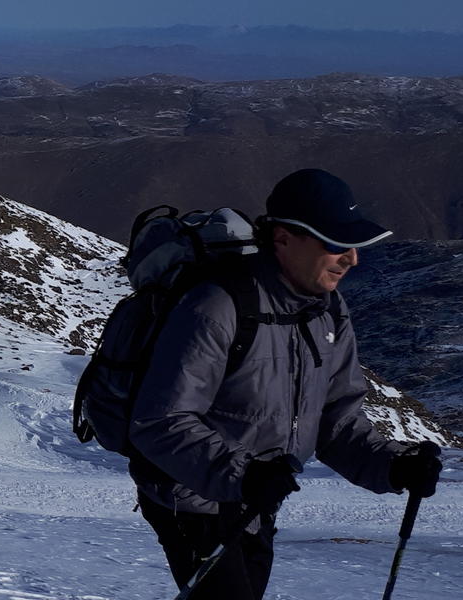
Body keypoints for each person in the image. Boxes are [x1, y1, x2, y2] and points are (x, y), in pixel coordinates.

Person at [129, 169, 446, 599]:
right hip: (192, 497)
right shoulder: (217, 306)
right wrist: (243, 475)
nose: (351, 258)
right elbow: (159, 420)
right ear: (282, 238)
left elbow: (334, 418)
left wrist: (393, 465)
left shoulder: (327, 311)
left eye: (352, 244)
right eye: (334, 244)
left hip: (257, 499)